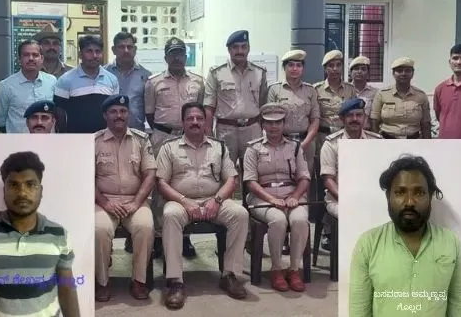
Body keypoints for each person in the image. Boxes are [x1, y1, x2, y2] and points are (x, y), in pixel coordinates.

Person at [0, 152, 80, 316]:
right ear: (4, 190)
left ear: (41, 190)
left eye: (30, 184)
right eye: (13, 185)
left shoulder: (59, 235)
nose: (22, 193)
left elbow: (67, 288)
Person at [349, 154, 461, 316]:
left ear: (430, 196)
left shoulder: (450, 242)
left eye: (419, 193)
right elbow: (358, 310)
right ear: (388, 196)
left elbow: (458, 301)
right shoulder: (368, 244)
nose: (410, 202)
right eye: (400, 192)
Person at [156, 102, 249, 309]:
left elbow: (231, 180)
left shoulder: (219, 147)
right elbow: (161, 183)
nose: (195, 122)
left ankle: (229, 275)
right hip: (180, 202)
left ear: (206, 121)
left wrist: (217, 201)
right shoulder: (169, 147)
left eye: (199, 118)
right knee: (170, 215)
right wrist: (184, 201)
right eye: (190, 118)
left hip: (213, 200)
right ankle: (175, 281)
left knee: (240, 214)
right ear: (182, 122)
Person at [143, 36, 205, 258]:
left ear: (186, 56)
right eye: (172, 54)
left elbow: (200, 111)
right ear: (166, 57)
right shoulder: (154, 82)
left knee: (186, 182)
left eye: (180, 53)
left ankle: (185, 237)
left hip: (190, 137)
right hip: (162, 136)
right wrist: (167, 130)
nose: (177, 58)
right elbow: (149, 114)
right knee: (160, 185)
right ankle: (160, 237)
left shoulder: (198, 82)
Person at [94, 94, 156, 302]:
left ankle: (138, 281)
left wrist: (136, 203)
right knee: (99, 230)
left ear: (128, 114)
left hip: (135, 201)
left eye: (122, 111)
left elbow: (150, 175)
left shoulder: (141, 139)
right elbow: (86, 177)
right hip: (103, 201)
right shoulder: (94, 141)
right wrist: (105, 203)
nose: (118, 115)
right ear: (105, 115)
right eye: (113, 112)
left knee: (145, 227)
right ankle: (102, 282)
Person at [242, 103, 310, 292]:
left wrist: (295, 196)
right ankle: (277, 269)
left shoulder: (295, 147)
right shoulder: (253, 148)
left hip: (291, 195)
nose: (274, 127)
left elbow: (304, 178)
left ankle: (294, 269)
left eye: (278, 122)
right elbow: (250, 182)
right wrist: (271, 200)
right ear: (262, 124)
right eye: (269, 122)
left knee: (300, 219)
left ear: (284, 124)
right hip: (262, 197)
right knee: (278, 220)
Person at [204, 30, 267, 167]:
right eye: (235, 47)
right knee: (225, 171)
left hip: (252, 130)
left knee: (253, 171)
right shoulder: (216, 72)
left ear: (248, 49)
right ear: (229, 50)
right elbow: (208, 107)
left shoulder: (259, 72)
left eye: (244, 47)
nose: (240, 51)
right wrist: (209, 137)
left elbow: (263, 106)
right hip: (226, 131)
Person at [320, 98, 381, 219]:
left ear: (365, 118)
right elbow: (328, 180)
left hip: (370, 198)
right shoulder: (331, 144)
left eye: (359, 115)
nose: (355, 119)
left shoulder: (376, 141)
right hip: (339, 199)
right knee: (354, 216)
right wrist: (347, 199)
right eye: (350, 115)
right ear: (342, 119)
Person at [266, 50, 320, 172]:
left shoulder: (310, 90)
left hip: (306, 142)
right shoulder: (275, 90)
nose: (295, 69)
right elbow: (270, 119)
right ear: (284, 68)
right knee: (283, 176)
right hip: (280, 142)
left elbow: (315, 119)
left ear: (303, 69)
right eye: (290, 65)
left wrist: (305, 143)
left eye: (298, 65)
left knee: (306, 176)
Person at [54, 35, 119, 133]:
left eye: (98, 51)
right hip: (76, 138)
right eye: (89, 51)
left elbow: (114, 110)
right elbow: (59, 114)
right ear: (80, 54)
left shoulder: (112, 79)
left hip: (105, 138)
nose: (94, 55)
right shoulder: (65, 80)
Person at [0, 40, 57, 133]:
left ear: (42, 58)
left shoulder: (52, 81)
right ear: (19, 59)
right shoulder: (6, 86)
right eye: (26, 55)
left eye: (35, 55)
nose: (31, 58)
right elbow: (0, 122)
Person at [370, 57, 431, 139]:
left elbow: (426, 123)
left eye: (407, 71)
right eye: (399, 71)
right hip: (387, 140)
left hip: (414, 141)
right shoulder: (382, 94)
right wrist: (376, 141)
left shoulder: (421, 96)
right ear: (393, 74)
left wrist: (428, 143)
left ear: (412, 73)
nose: (403, 73)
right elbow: (374, 121)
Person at [105, 32, 151, 132]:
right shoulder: (104, 74)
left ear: (135, 49)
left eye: (129, 47)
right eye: (121, 47)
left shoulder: (146, 75)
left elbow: (150, 108)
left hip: (137, 132)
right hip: (109, 133)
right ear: (113, 50)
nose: (126, 50)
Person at [313, 50, 355, 154]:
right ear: (325, 69)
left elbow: (354, 113)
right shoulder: (316, 89)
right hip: (322, 136)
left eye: (338, 65)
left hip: (345, 136)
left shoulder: (350, 89)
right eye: (331, 66)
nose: (335, 69)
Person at [348, 55, 379, 127]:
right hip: (348, 130)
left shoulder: (376, 93)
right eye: (356, 69)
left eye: (363, 69)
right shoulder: (345, 90)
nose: (359, 71)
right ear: (351, 73)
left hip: (367, 131)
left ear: (368, 73)